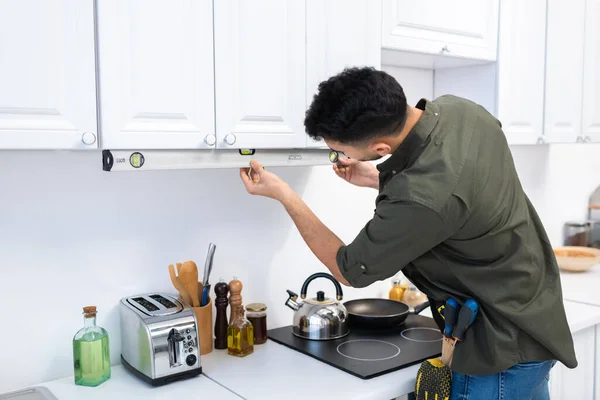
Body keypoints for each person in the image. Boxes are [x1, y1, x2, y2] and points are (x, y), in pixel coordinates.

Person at [238, 67, 576, 399]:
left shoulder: (421, 197)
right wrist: (377, 177)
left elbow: (348, 269)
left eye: (341, 150)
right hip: (535, 322)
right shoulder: (463, 110)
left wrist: (284, 194)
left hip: (497, 352)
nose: (341, 157)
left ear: (382, 148)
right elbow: (457, 186)